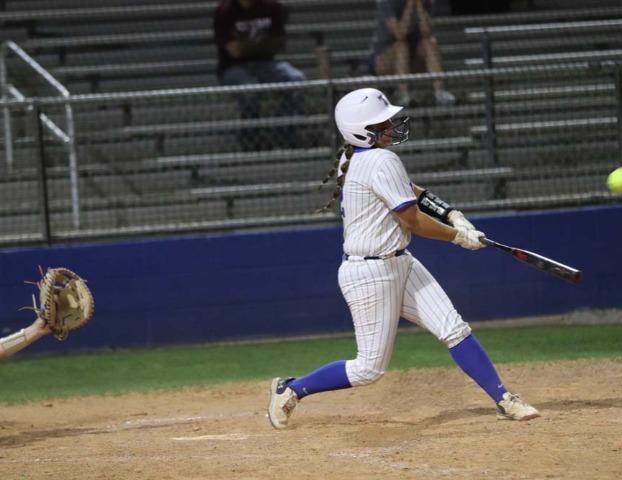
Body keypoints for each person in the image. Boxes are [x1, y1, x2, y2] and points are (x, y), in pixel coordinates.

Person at [267, 87, 539, 429]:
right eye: (380, 123)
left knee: (454, 329)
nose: (390, 126)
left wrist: (451, 213)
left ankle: (503, 399)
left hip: (400, 262)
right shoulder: (380, 160)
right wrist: (458, 237)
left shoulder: (355, 158)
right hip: (370, 274)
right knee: (369, 370)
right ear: (359, 130)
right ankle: (292, 388)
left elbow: (411, 191)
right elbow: (412, 219)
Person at [213, 0, 307, 150]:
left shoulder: (271, 7)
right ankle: (250, 139)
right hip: (232, 67)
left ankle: (282, 134)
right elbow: (233, 51)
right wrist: (263, 44)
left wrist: (246, 47)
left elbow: (279, 44)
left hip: (266, 64)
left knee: (297, 80)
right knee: (250, 88)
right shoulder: (224, 11)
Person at [371, 0, 456, 106]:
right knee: (402, 46)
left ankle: (440, 92)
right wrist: (410, 6)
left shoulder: (426, 3)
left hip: (412, 58)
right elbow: (400, 34)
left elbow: (427, 32)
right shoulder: (386, 3)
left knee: (429, 43)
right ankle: (403, 95)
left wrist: (420, 7)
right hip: (385, 59)